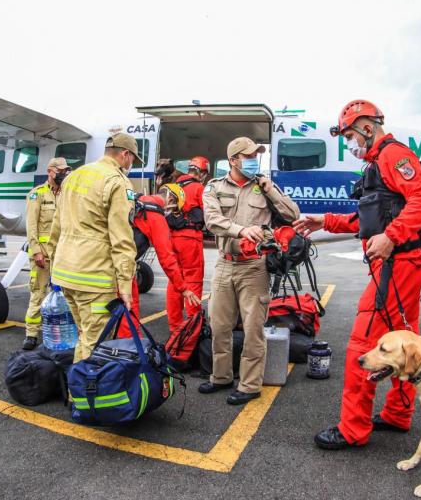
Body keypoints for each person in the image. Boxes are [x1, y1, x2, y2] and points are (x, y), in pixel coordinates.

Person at [294, 100, 421, 450]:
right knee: (409, 346)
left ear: (367, 128)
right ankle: (398, 415)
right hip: (403, 265)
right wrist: (323, 221)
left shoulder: (392, 156)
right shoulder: (379, 164)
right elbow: (369, 221)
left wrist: (391, 237)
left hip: (398, 266)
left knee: (363, 345)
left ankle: (352, 429)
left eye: (349, 137)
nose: (349, 144)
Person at [200, 137, 299, 405]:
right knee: (219, 326)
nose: (255, 159)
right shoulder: (214, 187)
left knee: (254, 329)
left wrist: (271, 191)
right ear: (233, 160)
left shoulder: (265, 186)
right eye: (248, 155)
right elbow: (212, 220)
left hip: (255, 267)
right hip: (224, 264)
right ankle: (220, 377)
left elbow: (293, 215)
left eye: (257, 154)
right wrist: (241, 230)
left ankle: (250, 385)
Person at [47, 133, 139, 362]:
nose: (132, 164)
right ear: (124, 154)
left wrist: (52, 264)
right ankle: (84, 395)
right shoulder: (116, 182)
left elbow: (56, 228)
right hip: (93, 278)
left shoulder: (74, 176)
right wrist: (125, 285)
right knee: (95, 343)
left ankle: (76, 390)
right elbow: (122, 239)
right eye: (132, 159)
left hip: (65, 273)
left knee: (84, 334)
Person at [118, 188, 201, 337]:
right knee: (129, 317)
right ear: (170, 201)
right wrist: (183, 288)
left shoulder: (136, 201)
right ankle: (130, 352)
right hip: (122, 271)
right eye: (174, 208)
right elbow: (167, 258)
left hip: (100, 263)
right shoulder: (155, 216)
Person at [21, 157, 71, 350]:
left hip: (62, 254)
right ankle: (31, 333)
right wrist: (36, 252)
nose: (64, 174)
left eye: (66, 171)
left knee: (63, 294)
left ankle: (57, 330)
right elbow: (31, 226)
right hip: (43, 254)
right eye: (61, 171)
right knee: (39, 293)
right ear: (51, 171)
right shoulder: (37, 195)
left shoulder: (65, 194)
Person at [165, 156, 209, 333]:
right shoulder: (199, 188)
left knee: (175, 280)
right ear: (202, 173)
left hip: (172, 238)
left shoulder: (174, 188)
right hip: (190, 240)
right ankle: (193, 324)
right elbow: (208, 215)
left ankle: (175, 326)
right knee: (193, 280)